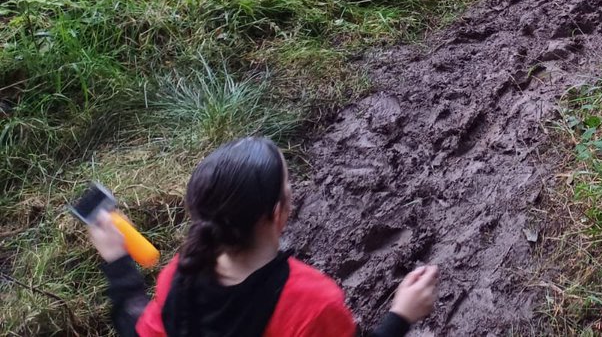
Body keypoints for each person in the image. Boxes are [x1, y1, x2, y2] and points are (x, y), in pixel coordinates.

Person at [84, 136, 438, 337]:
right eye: (288, 186)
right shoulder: (312, 303)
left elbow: (139, 328)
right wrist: (401, 316)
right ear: (277, 213)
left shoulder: (177, 278)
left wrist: (118, 262)